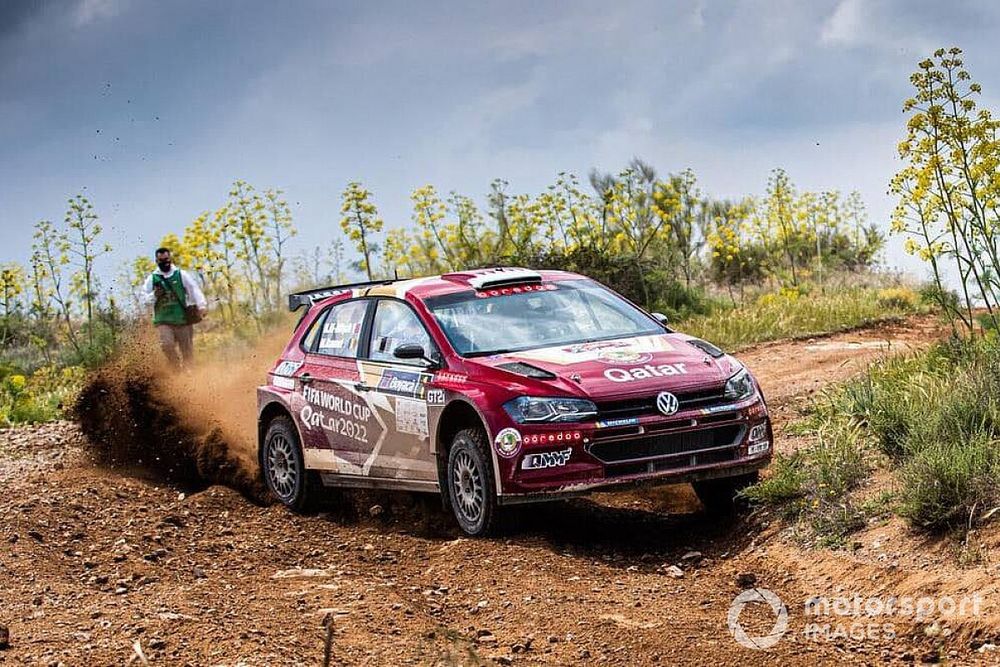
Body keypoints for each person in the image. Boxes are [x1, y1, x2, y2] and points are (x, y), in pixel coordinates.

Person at [141, 247, 207, 367]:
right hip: (163, 321)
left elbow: (194, 289)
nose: (164, 262)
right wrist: (154, 295)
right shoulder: (152, 278)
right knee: (166, 345)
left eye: (166, 259)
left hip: (182, 320)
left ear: (170, 259)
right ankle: (175, 367)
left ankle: (190, 376)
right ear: (156, 261)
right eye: (161, 260)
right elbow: (144, 299)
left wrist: (201, 305)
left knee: (187, 351)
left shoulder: (181, 274)